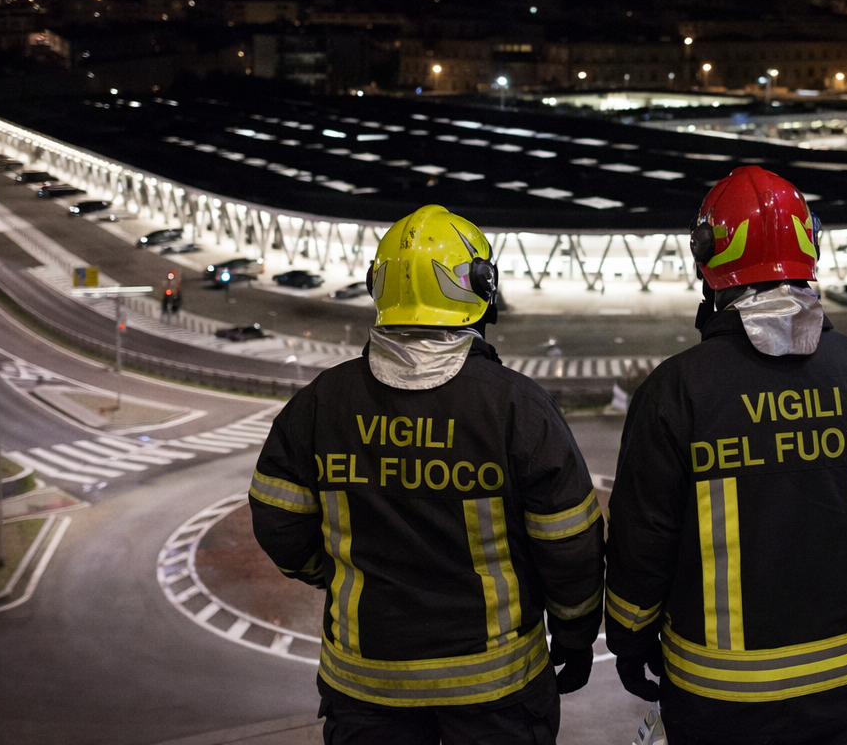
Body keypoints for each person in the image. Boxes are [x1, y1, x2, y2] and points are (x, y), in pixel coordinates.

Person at [250, 204, 604, 745]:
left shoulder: (320, 403)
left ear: (379, 287)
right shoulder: (517, 407)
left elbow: (277, 521)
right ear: (482, 287)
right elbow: (569, 545)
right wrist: (575, 635)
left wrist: (337, 574)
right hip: (496, 689)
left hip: (365, 685)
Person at [604, 166, 847, 745]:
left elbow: (640, 542)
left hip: (717, 699)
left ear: (707, 257)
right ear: (809, 249)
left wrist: (630, 640)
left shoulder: (675, 392)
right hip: (845, 686)